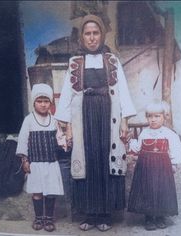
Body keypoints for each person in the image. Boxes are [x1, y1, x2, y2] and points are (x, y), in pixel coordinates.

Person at [54, 14, 136, 232]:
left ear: (102, 34)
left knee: (105, 161)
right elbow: (67, 96)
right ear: (82, 36)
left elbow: (123, 92)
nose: (92, 38)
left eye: (96, 33)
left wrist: (125, 122)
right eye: (87, 33)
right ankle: (89, 214)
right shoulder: (74, 63)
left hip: (108, 117)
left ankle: (105, 214)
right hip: (83, 119)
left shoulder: (112, 60)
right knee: (87, 161)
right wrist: (68, 126)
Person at [127, 100, 181, 231]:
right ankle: (148, 217)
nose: (153, 120)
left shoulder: (169, 134)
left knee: (161, 190)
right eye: (150, 116)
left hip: (163, 168)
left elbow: (175, 150)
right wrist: (130, 143)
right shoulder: (144, 133)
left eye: (157, 116)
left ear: (165, 117)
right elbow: (137, 148)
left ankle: (160, 216)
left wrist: (174, 164)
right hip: (145, 168)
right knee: (147, 191)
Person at [16, 83, 64, 232]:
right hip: (35, 163)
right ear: (34, 103)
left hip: (51, 162)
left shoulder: (54, 120)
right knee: (37, 192)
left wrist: (65, 142)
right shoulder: (29, 120)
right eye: (39, 101)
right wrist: (25, 160)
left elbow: (60, 138)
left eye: (46, 101)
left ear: (50, 103)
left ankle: (49, 219)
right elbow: (23, 140)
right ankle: (39, 218)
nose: (43, 105)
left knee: (50, 191)